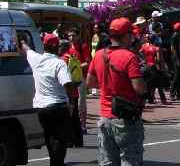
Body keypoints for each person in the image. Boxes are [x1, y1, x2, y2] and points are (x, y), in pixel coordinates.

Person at [86, 18, 146, 165]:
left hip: (105, 118)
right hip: (125, 118)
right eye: (131, 34)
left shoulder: (99, 54)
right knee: (130, 160)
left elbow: (90, 82)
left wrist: (108, 84)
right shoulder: (129, 57)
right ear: (126, 36)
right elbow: (139, 88)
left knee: (107, 162)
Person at [20, 34, 74, 166]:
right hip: (58, 107)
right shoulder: (59, 63)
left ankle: (54, 162)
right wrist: (71, 104)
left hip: (42, 109)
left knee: (49, 138)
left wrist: (20, 40)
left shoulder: (36, 59)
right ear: (57, 48)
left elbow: (25, 48)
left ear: (44, 46)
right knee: (61, 141)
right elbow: (67, 84)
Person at [140, 37, 168, 105]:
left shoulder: (144, 47)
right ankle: (163, 100)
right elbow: (159, 59)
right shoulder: (157, 48)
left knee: (149, 84)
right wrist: (162, 66)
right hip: (155, 67)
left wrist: (144, 60)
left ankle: (150, 99)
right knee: (159, 84)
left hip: (147, 66)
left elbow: (139, 52)